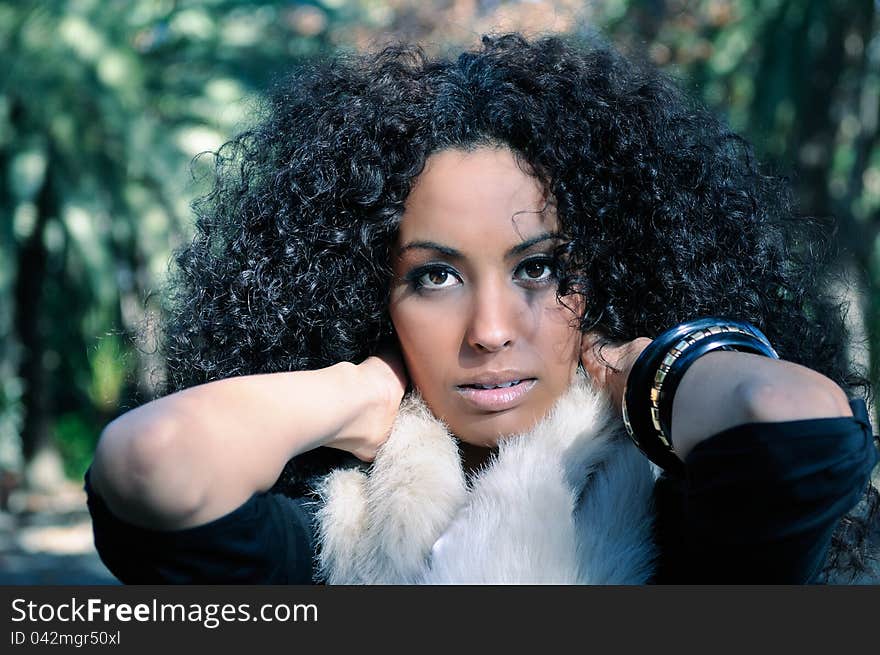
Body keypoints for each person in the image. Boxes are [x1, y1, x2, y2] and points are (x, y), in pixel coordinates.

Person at [84, 32, 879, 584]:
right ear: (371, 294)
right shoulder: (331, 535)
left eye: (540, 268)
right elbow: (151, 462)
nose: (492, 330)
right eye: (434, 277)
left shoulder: (678, 516)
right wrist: (359, 391)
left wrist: (643, 369)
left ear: (607, 277)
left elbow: (789, 417)